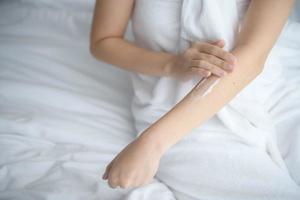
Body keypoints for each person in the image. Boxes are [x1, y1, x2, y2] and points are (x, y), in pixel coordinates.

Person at [90, 0, 299, 198]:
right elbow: (103, 41)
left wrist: (152, 142)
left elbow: (253, 55)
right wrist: (172, 64)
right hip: (176, 116)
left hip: (270, 95)